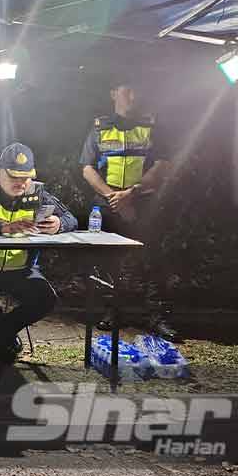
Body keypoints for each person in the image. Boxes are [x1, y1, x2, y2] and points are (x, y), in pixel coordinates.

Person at [0, 143, 77, 359]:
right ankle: (4, 333)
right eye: (14, 176)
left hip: (22, 270)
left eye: (26, 177)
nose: (21, 183)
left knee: (45, 297)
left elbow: (71, 218)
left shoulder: (38, 193)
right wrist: (3, 227)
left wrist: (59, 224)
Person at [80, 75, 175, 339]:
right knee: (109, 262)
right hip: (108, 205)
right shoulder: (99, 127)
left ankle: (158, 317)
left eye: (137, 90)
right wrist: (114, 198)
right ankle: (113, 312)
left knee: (152, 259)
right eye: (128, 90)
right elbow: (87, 168)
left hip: (143, 204)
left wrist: (131, 195)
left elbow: (163, 165)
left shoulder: (152, 126)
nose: (133, 96)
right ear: (114, 93)